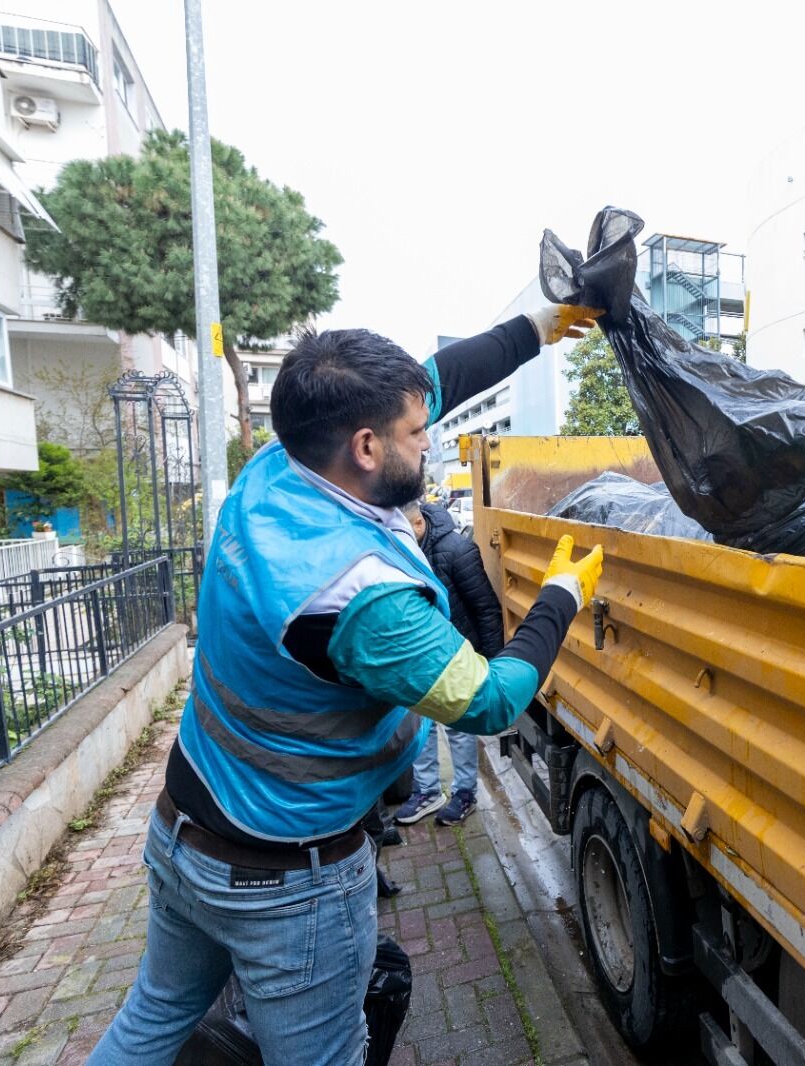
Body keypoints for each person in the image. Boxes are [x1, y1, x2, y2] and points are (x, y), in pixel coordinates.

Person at [89, 304, 602, 1066]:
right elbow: (492, 699)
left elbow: (440, 378)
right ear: (366, 447)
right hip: (284, 883)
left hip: (184, 830)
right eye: (417, 434)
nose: (428, 441)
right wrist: (561, 595)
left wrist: (539, 325)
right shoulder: (358, 592)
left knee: (151, 1019)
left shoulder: (282, 463)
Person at [393, 500, 503, 826]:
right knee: (421, 727)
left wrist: (494, 664)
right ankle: (427, 791)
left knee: (458, 727)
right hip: (417, 658)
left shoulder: (458, 550)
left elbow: (486, 609)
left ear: (417, 525)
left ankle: (465, 792)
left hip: (455, 656)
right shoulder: (399, 552)